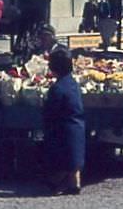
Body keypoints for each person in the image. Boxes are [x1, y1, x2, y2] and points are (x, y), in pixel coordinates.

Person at [43, 45, 84, 195]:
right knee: (75, 159)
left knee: (62, 160)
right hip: (77, 125)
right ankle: (74, 183)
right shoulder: (74, 84)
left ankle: (58, 182)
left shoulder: (57, 88)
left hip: (62, 129)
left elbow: (51, 111)